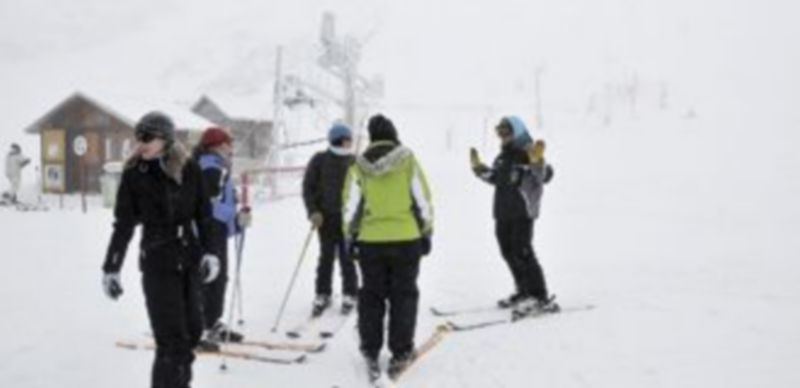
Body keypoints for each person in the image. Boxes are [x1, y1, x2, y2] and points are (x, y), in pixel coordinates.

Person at [101, 111, 222, 388]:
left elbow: (204, 215)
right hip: (157, 262)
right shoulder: (135, 175)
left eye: (148, 137)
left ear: (166, 139)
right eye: (138, 136)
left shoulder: (188, 169)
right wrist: (111, 267)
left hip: (189, 260)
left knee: (192, 333)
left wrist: (211, 252)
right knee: (171, 341)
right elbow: (123, 225)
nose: (140, 142)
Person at [342, 114, 433, 379]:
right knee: (403, 296)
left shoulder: (358, 166)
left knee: (371, 295)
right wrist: (426, 231)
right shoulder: (407, 160)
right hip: (406, 239)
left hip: (371, 241)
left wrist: (350, 236)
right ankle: (401, 351)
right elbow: (422, 199)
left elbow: (350, 206)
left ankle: (370, 349)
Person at [470, 115, 557, 316]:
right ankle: (523, 290)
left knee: (523, 251)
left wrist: (537, 161)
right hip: (502, 211)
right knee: (507, 251)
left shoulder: (529, 151)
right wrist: (479, 169)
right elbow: (496, 178)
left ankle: (539, 296)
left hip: (522, 211)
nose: (503, 136)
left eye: (506, 132)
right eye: (499, 132)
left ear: (516, 131)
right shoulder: (503, 156)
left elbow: (545, 176)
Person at [193, 126, 252, 347]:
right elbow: (208, 205)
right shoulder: (210, 168)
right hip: (207, 231)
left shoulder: (217, 167)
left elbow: (221, 205)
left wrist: (236, 223)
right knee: (211, 277)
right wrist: (233, 216)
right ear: (218, 146)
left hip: (214, 229)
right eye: (229, 144)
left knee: (217, 277)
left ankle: (211, 322)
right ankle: (200, 325)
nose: (231, 149)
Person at [302, 123, 359, 316]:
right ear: (340, 140)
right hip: (325, 218)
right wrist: (313, 211)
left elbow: (362, 191)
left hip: (348, 219)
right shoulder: (320, 160)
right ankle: (322, 293)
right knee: (326, 256)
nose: (350, 143)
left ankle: (350, 292)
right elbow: (308, 188)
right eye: (348, 139)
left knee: (347, 257)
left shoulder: (355, 162)